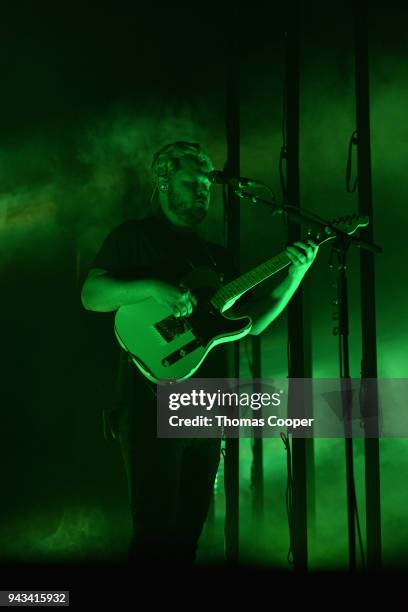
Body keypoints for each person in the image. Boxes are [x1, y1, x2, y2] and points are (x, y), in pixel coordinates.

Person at [80, 141, 318, 566]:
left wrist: (294, 274)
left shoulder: (217, 257)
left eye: (208, 184)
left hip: (206, 406)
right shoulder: (135, 237)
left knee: (186, 538)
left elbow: (251, 323)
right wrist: (153, 286)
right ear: (164, 181)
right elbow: (92, 294)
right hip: (149, 399)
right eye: (192, 181)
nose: (204, 190)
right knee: (154, 535)